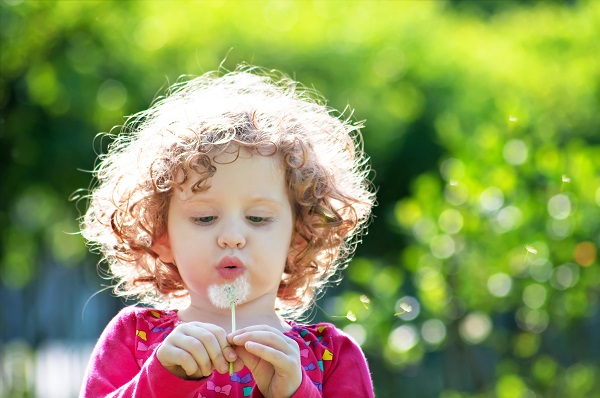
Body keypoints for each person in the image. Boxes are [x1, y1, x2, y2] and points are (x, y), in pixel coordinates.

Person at [79, 65, 376, 397]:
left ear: (298, 239)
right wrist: (161, 379)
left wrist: (296, 391)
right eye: (205, 218)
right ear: (161, 238)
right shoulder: (135, 338)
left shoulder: (332, 356)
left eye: (259, 218)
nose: (232, 236)